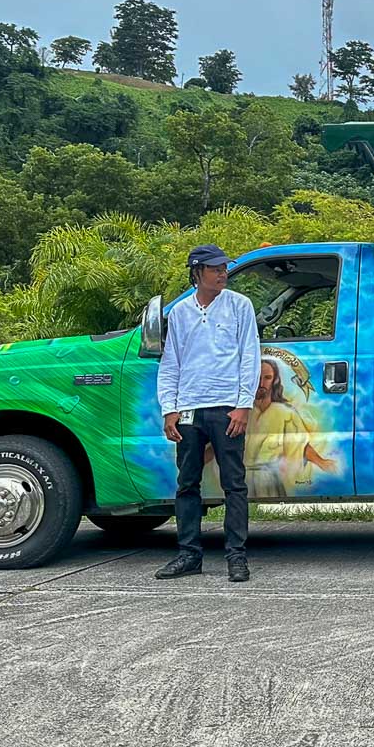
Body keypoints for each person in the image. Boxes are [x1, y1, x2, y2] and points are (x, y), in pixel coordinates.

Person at [155, 244, 261, 583]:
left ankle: (236, 556)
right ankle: (189, 555)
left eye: (224, 268)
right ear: (197, 273)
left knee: (234, 484)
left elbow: (250, 357)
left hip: (227, 407)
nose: (222, 273)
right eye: (215, 269)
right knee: (187, 483)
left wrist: (243, 405)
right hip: (189, 408)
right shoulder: (181, 312)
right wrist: (170, 409)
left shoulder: (239, 305)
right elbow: (171, 362)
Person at [245, 355, 340, 497]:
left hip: (268, 479)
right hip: (242, 478)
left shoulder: (286, 413)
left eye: (267, 378)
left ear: (275, 381)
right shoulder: (242, 412)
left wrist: (322, 462)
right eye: (258, 377)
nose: (261, 383)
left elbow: (300, 444)